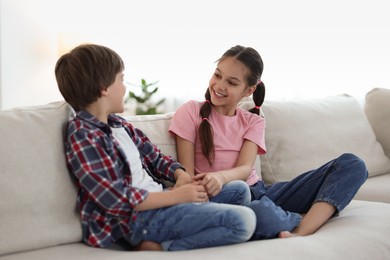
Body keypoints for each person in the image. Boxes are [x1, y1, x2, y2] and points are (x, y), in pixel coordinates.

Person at [55, 43, 257, 251]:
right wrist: (176, 196)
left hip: (163, 202)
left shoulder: (118, 124)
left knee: (240, 191)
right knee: (244, 221)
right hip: (137, 220)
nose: (125, 87)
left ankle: (185, 225)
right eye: (121, 79)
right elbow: (114, 198)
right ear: (104, 88)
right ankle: (163, 247)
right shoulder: (84, 135)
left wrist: (181, 175)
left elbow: (156, 157)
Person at [168, 45, 368, 239]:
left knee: (352, 165)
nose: (219, 86)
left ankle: (304, 227)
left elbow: (245, 168)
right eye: (217, 75)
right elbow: (187, 175)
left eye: (232, 82)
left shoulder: (253, 121)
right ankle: (292, 218)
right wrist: (214, 185)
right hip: (224, 198)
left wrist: (221, 176)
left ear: (249, 90)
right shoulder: (191, 111)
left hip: (261, 191)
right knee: (262, 214)